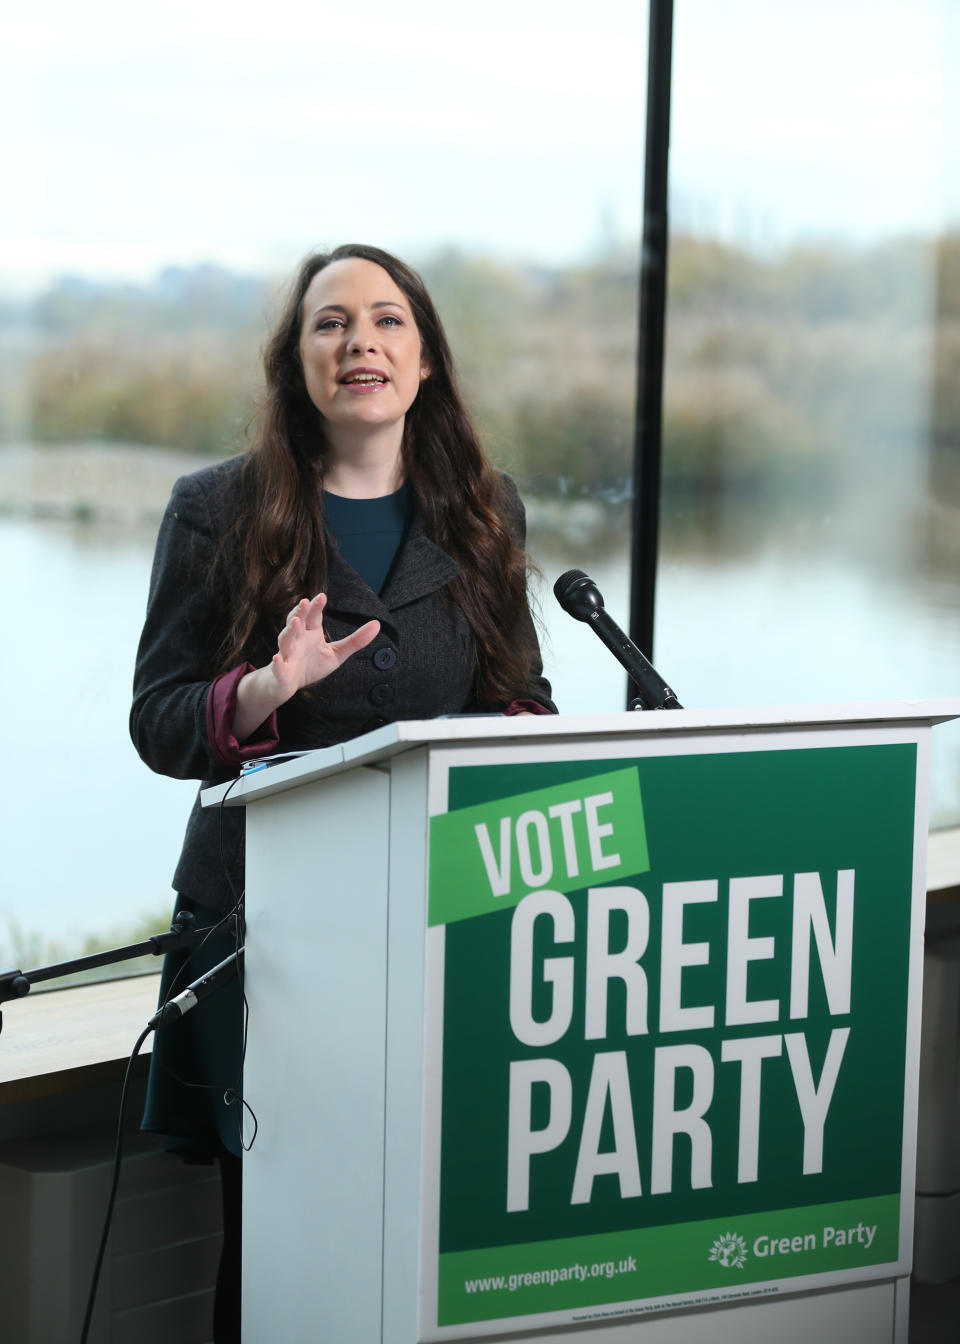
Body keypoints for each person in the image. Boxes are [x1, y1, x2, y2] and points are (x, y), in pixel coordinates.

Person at [129, 242, 555, 1341]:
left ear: (425, 363)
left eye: (387, 321)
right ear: (297, 363)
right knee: (281, 1236)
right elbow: (159, 721)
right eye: (330, 322)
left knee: (421, 1226)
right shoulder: (216, 511)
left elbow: (524, 702)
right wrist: (270, 685)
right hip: (264, 932)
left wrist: (517, 740)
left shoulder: (486, 512)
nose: (360, 340)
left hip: (440, 921)